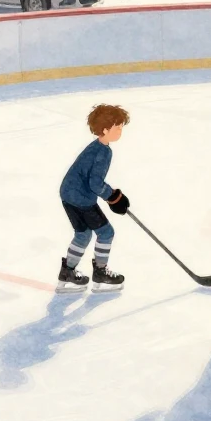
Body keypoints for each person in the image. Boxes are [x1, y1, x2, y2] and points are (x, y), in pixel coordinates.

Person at [57, 104, 130, 293]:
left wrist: (113, 197)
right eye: (118, 127)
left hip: (68, 193)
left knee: (83, 234)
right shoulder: (103, 151)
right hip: (81, 197)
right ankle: (100, 272)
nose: (120, 131)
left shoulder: (96, 147)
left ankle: (67, 272)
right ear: (105, 129)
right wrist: (114, 197)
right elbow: (95, 183)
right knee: (106, 233)